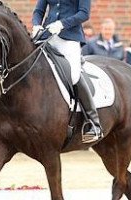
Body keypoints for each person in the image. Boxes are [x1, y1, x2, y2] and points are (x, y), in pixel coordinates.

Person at [32, 0, 102, 143]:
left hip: (69, 38)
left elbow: (84, 13)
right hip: (46, 36)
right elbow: (39, 10)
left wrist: (62, 24)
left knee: (74, 75)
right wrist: (37, 25)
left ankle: (93, 122)